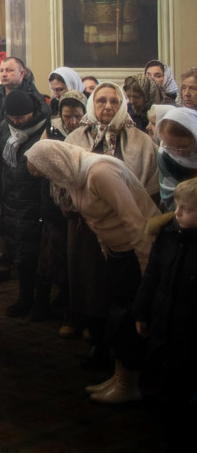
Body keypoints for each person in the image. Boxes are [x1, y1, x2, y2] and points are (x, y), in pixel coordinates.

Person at [26, 141, 158, 404]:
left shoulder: (100, 172)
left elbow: (135, 222)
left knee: (128, 320)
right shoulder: (74, 177)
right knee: (117, 317)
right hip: (118, 254)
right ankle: (120, 377)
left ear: (54, 163)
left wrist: (148, 274)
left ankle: (128, 384)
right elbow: (97, 222)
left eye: (46, 172)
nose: (48, 179)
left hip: (135, 255)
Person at [132, 177, 197, 450]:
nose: (176, 213)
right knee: (158, 375)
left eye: (186, 209)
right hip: (162, 319)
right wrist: (141, 312)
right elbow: (152, 275)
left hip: (189, 330)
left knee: (183, 382)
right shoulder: (168, 234)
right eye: (176, 206)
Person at [0, 89, 55, 320]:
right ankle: (25, 297)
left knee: (42, 253)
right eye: (12, 117)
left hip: (38, 200)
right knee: (20, 252)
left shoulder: (47, 128)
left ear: (32, 112)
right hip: (11, 198)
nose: (16, 122)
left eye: (21, 117)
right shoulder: (4, 127)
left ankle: (42, 301)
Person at [154, 107, 197, 212]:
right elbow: (169, 194)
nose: (178, 153)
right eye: (170, 147)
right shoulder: (165, 155)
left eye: (183, 147)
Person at [0, 57, 44, 136]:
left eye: (9, 70)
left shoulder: (34, 99)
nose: (4, 74)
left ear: (21, 73)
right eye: (1, 71)